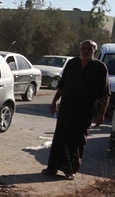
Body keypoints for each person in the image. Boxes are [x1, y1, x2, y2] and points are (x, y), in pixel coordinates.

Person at [43, 40, 110, 180]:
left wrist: (101, 113)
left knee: (77, 139)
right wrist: (54, 101)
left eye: (89, 49)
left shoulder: (100, 68)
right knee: (60, 135)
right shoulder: (72, 64)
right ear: (79, 49)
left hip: (85, 109)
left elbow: (105, 94)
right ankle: (52, 166)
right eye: (83, 48)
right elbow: (62, 85)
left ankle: (70, 169)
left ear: (95, 52)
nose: (85, 51)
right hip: (67, 106)